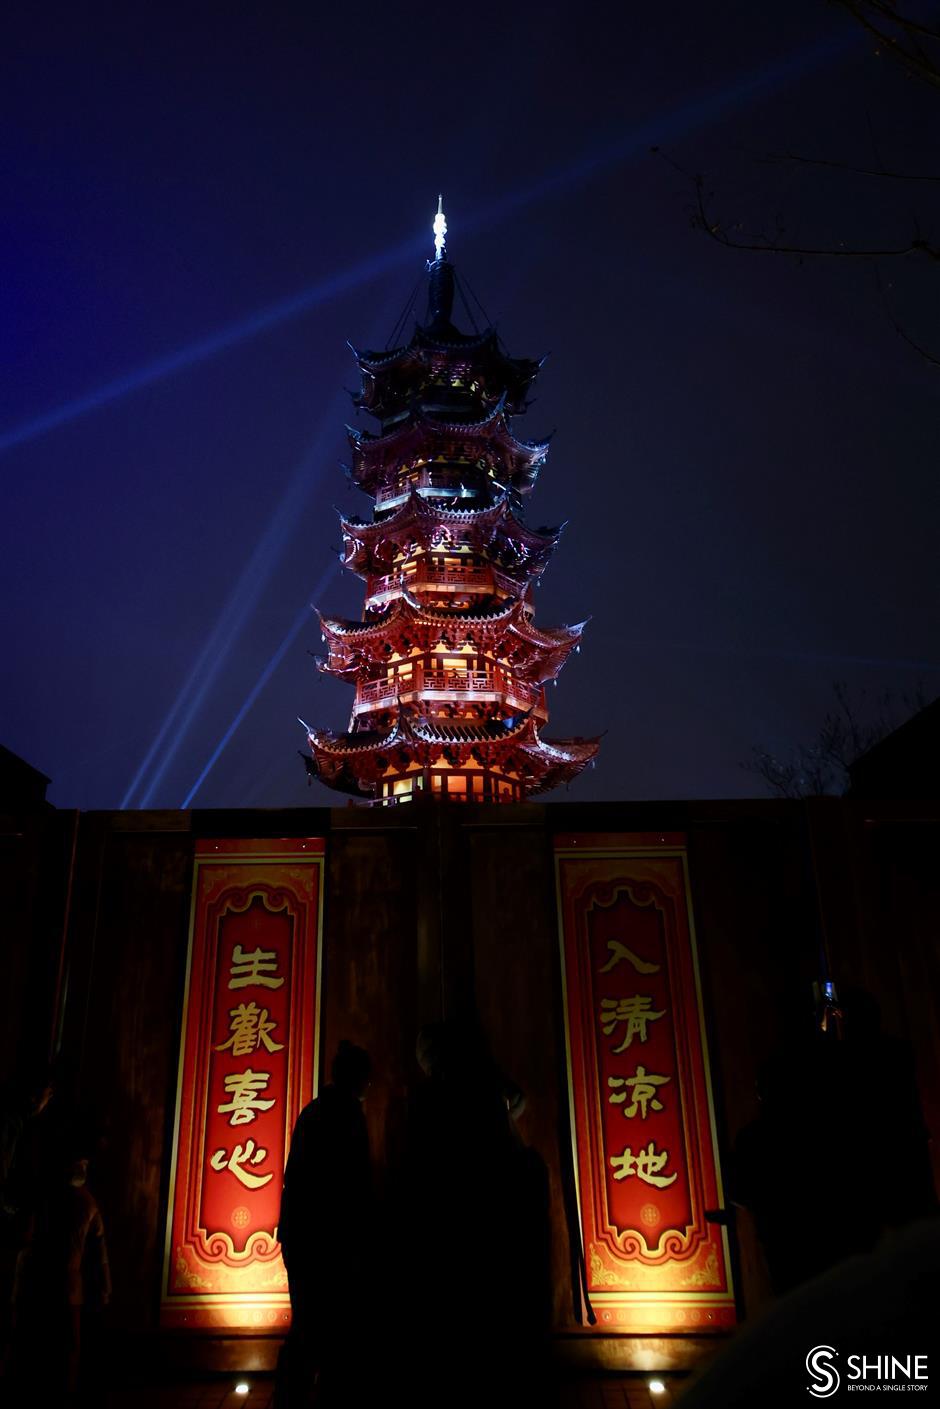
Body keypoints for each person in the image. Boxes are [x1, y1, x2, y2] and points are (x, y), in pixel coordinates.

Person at [275, 1042, 372, 1409]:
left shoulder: (313, 1111)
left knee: (306, 1323)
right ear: (358, 1079)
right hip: (330, 1240)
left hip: (300, 1235)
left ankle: (289, 1398)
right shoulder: (348, 1115)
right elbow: (355, 1187)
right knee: (331, 1329)